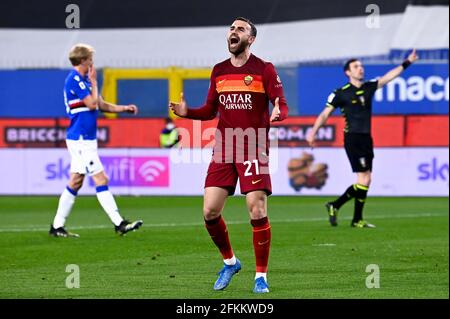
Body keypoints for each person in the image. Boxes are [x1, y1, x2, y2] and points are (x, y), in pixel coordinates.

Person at [170, 17, 288, 293]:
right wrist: (188, 113)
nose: (234, 32)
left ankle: (261, 277)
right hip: (224, 146)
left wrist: (279, 110)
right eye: (232, 28)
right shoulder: (219, 71)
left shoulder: (264, 69)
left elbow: (280, 101)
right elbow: (210, 110)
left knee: (256, 208)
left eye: (241, 29)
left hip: (253, 144)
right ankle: (231, 262)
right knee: (210, 211)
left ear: (251, 39)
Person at [306, 50, 419, 228]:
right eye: (356, 66)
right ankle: (355, 218)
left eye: (361, 66)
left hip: (366, 139)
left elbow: (389, 77)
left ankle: (337, 206)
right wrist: (313, 132)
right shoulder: (340, 93)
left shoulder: (368, 87)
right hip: (352, 138)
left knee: (366, 179)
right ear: (348, 72)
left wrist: (408, 62)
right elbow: (325, 114)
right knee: (364, 178)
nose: (360, 69)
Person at [49, 43, 143, 238]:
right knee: (101, 179)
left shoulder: (83, 80)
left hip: (84, 139)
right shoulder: (74, 79)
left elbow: (100, 104)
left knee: (75, 181)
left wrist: (123, 108)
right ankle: (119, 223)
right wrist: (95, 81)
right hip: (81, 138)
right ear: (83, 60)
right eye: (90, 59)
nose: (92, 63)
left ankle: (57, 227)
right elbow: (92, 104)